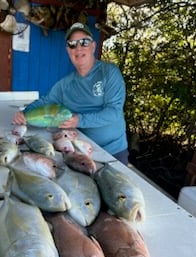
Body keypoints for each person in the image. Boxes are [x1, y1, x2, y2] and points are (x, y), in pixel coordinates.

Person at [12, 22, 129, 165]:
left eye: (84, 42)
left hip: (113, 151)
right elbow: (45, 101)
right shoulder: (65, 85)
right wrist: (24, 113)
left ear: (93, 46)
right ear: (68, 50)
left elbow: (114, 112)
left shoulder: (109, 72)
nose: (78, 48)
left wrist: (79, 120)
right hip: (81, 149)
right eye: (72, 44)